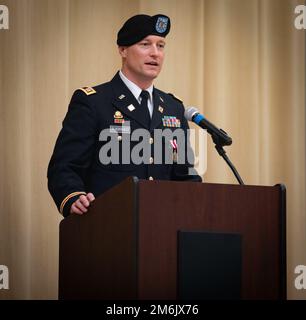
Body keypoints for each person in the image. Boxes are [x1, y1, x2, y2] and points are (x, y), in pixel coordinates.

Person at [47, 14, 202, 217]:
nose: (155, 53)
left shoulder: (173, 108)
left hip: (163, 227)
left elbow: (185, 176)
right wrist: (74, 197)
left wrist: (199, 203)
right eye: (145, 44)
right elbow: (65, 167)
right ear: (123, 50)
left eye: (161, 45)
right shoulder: (93, 102)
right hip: (108, 226)